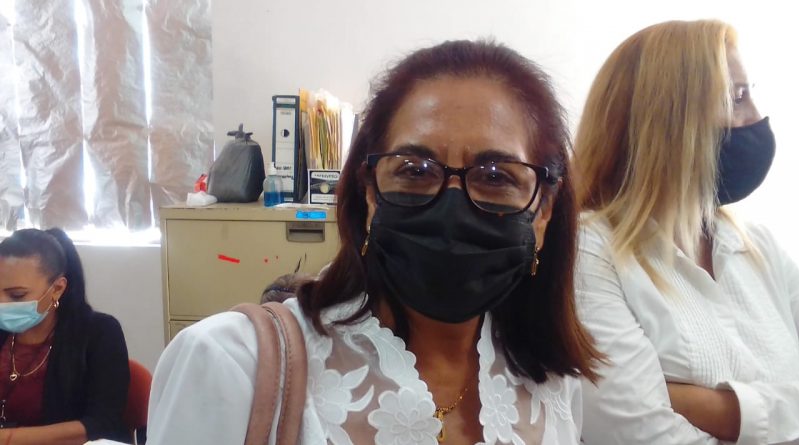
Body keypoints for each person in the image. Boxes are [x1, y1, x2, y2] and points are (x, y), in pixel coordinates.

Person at [147, 39, 602, 445]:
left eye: (496, 176)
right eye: (415, 170)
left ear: (544, 209)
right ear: (368, 191)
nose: (452, 209)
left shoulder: (550, 385)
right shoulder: (229, 367)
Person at [572, 19, 799, 444]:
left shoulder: (760, 245)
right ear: (669, 121)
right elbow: (637, 432)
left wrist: (707, 406)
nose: (756, 118)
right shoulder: (587, 252)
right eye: (736, 98)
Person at [0, 228, 130, 444]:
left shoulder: (99, 333)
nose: (3, 303)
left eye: (17, 295)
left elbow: (102, 423)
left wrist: (8, 439)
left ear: (57, 289)